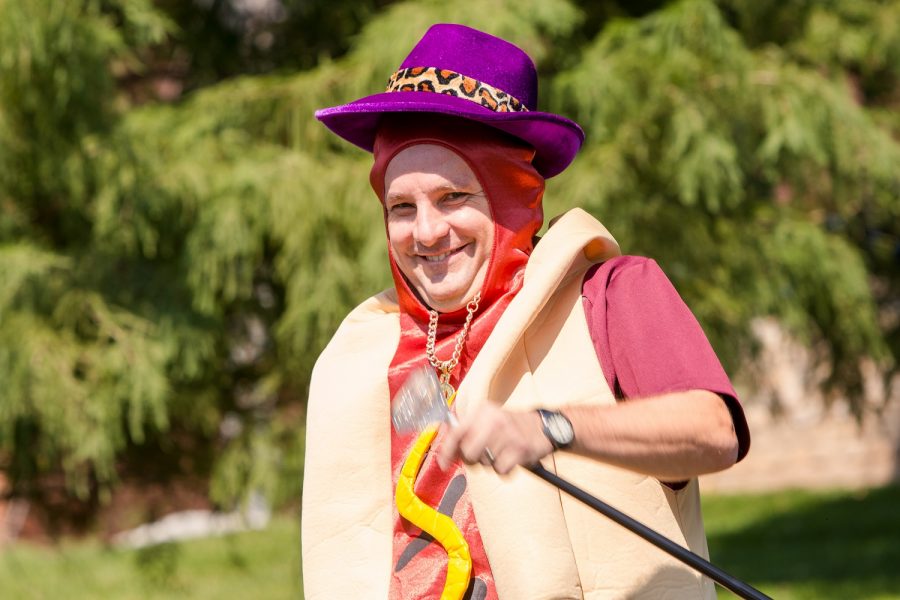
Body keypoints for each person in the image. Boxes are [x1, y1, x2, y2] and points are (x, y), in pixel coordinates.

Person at [302, 23, 750, 600]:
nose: (427, 231)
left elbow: (714, 432)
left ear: (514, 195)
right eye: (401, 207)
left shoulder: (609, 292)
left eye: (454, 197)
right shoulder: (365, 351)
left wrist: (551, 426)